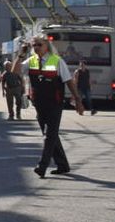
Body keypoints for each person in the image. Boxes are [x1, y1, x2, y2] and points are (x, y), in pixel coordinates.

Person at [27, 35, 84, 177]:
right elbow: (14, 72)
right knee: (51, 136)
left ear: (47, 46)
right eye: (34, 45)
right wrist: (21, 55)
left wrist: (78, 100)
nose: (36, 48)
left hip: (55, 103)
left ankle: (42, 166)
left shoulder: (57, 61)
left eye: (39, 45)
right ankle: (63, 165)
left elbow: (69, 81)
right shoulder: (31, 60)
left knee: (49, 135)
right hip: (39, 104)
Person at [3, 46, 30, 121]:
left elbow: (21, 79)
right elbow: (3, 81)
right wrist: (3, 90)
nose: (7, 67)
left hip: (17, 88)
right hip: (9, 89)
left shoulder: (15, 71)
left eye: (8, 66)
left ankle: (18, 115)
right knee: (10, 103)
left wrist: (23, 88)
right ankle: (11, 115)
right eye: (6, 66)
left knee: (18, 102)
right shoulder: (6, 73)